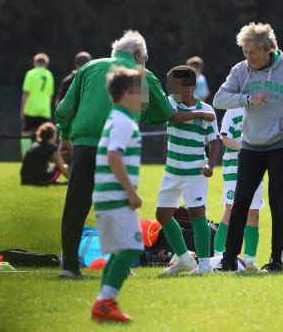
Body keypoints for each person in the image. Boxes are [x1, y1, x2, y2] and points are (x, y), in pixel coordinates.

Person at [56, 30, 215, 278]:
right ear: (138, 55)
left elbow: (65, 108)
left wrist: (65, 136)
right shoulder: (142, 74)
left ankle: (68, 267)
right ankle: (121, 265)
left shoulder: (88, 68)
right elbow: (162, 112)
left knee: (76, 204)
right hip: (119, 146)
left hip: (85, 144)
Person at [213, 22, 283, 272]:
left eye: (252, 52)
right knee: (240, 201)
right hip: (251, 145)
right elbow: (219, 99)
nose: (248, 57)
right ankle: (228, 260)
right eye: (244, 52)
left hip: (280, 145)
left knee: (276, 200)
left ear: (268, 49)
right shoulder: (241, 70)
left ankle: (276, 260)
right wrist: (246, 99)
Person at [91, 67, 144, 323]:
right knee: (132, 247)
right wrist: (131, 193)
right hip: (116, 197)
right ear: (126, 93)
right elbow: (114, 156)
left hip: (105, 196)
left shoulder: (115, 117)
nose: (142, 95)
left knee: (117, 252)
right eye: (138, 90)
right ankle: (104, 301)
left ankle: (104, 302)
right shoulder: (124, 122)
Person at [155, 65, 220, 276]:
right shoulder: (170, 103)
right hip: (172, 171)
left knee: (197, 214)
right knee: (162, 215)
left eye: (174, 83)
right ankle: (184, 259)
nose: (170, 88)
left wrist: (210, 164)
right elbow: (173, 117)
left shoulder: (209, 110)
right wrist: (198, 114)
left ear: (190, 85)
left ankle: (204, 266)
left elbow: (215, 141)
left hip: (195, 172)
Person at [213, 107, 264, 272]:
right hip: (233, 169)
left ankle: (250, 260)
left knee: (253, 214)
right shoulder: (232, 112)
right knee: (230, 211)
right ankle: (218, 256)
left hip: (256, 168)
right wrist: (246, 148)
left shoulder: (261, 110)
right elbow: (225, 138)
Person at [20, 53, 55, 157]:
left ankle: (26, 156)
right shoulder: (49, 75)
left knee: (26, 134)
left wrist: (22, 110)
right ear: (46, 63)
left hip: (31, 109)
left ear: (35, 62)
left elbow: (26, 93)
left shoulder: (30, 74)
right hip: (45, 110)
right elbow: (50, 95)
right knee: (44, 136)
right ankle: (43, 157)